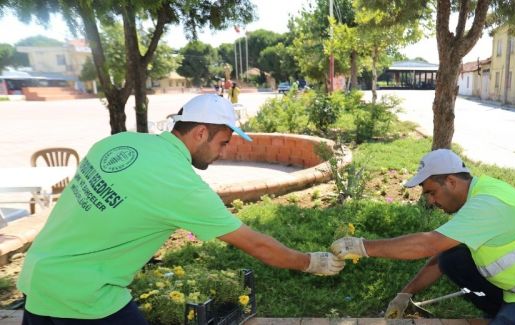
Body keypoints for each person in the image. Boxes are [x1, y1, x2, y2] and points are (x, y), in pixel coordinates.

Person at [17, 94, 345, 324]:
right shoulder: (181, 185)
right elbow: (256, 244)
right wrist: (310, 262)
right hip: (86, 299)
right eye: (223, 142)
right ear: (201, 132)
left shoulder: (118, 142)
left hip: (38, 282)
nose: (224, 152)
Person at [331, 149, 515, 325]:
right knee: (451, 257)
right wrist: (405, 294)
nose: (429, 200)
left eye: (431, 192)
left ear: (450, 181)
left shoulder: (488, 205)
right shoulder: (480, 191)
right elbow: (439, 256)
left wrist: (361, 246)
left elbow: (426, 244)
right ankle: (502, 314)